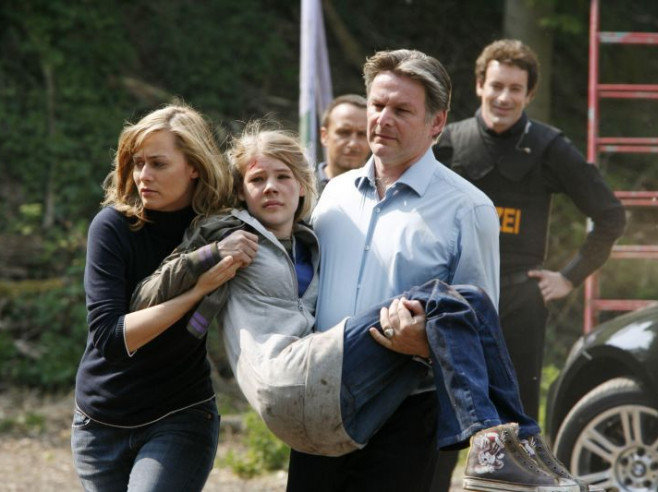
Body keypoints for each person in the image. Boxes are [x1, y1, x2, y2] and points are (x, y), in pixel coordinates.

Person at [130, 123, 583, 492]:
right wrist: (208, 260)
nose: (271, 188)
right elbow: (146, 297)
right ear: (241, 191)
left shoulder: (312, 238)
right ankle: (490, 442)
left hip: (323, 385)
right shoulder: (227, 231)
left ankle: (521, 442)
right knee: (443, 296)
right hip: (287, 374)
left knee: (472, 301)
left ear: (302, 185)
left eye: (282, 177)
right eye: (257, 179)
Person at [286, 48, 502, 492]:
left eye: (401, 110)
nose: (383, 119)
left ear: (436, 123)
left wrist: (426, 344)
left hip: (405, 411)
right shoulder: (333, 195)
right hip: (321, 399)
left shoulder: (468, 209)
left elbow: (479, 328)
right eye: (377, 105)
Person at [434, 39, 627, 420]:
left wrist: (570, 277)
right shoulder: (447, 143)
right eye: (496, 86)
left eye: (515, 89)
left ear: (530, 94)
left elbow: (611, 216)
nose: (504, 98)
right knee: (442, 415)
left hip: (521, 300)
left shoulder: (548, 147)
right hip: (453, 295)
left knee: (517, 419)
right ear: (479, 85)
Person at [71, 103, 256, 491]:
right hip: (99, 425)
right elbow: (112, 338)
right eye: (138, 163)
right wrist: (197, 290)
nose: (143, 176)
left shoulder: (220, 227)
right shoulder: (112, 226)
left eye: (158, 164)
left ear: (194, 167)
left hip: (180, 415)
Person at [316, 94, 370, 191]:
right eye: (344, 132)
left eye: (362, 134)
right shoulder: (300, 189)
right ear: (324, 136)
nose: (353, 144)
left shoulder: (385, 192)